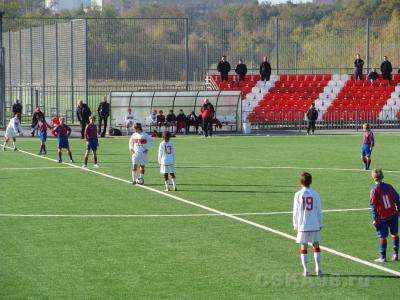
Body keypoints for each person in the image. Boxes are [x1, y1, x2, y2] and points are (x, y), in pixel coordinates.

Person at [293, 172, 323, 277]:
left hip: (303, 225)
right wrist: (320, 223)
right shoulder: (316, 194)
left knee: (303, 247)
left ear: (300, 182)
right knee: (316, 245)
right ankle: (318, 269)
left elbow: (295, 212)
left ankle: (306, 271)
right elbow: (319, 210)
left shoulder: (297, 195)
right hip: (314, 224)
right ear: (311, 182)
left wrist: (295, 225)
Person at [369, 169, 400, 262]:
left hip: (382, 217)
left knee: (382, 236)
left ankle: (383, 257)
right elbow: (397, 198)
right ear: (383, 177)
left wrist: (374, 219)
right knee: (394, 234)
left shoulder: (374, 190)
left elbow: (373, 206)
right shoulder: (389, 186)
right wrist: (399, 210)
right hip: (393, 215)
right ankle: (395, 254)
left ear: (373, 177)